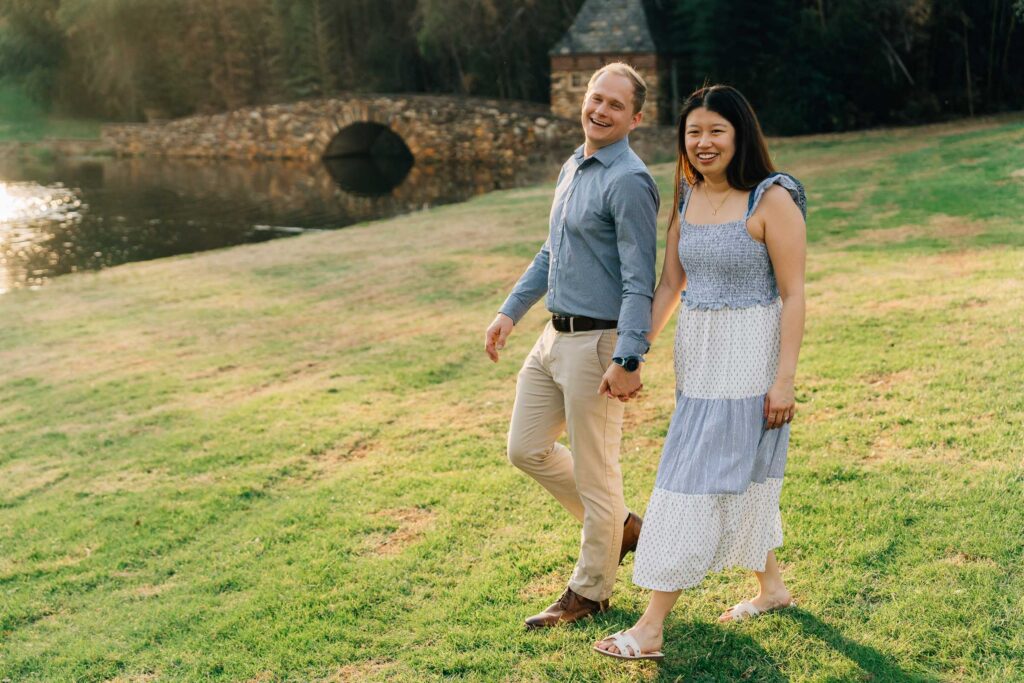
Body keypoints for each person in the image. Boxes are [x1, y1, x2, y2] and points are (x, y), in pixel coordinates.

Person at [594, 85, 808, 660]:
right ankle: (773, 588)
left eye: (716, 130)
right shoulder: (687, 198)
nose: (704, 142)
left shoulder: (772, 199)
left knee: (692, 486)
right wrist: (630, 355)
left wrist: (783, 380)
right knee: (732, 477)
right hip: (700, 366)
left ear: (739, 135)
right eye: (694, 132)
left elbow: (793, 295)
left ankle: (651, 626)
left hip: (749, 365)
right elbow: (670, 286)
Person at [483, 62, 659, 629]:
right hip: (552, 339)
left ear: (635, 117)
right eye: (595, 98)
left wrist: (628, 358)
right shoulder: (573, 164)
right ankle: (622, 528)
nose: (600, 110)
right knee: (525, 448)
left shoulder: (629, 180)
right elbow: (549, 253)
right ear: (583, 101)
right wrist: (511, 312)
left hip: (599, 344)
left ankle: (590, 591)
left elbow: (639, 280)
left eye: (615, 105)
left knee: (597, 472)